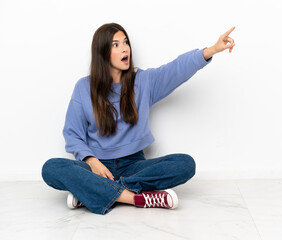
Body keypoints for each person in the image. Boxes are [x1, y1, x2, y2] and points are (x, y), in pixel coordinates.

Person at [41, 23, 235, 215]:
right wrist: (91, 160)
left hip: (133, 166)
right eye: (116, 44)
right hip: (96, 166)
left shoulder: (143, 81)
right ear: (102, 52)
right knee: (51, 168)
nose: (125, 48)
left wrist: (212, 50)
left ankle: (92, 192)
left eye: (125, 42)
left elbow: (176, 69)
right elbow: (72, 134)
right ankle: (134, 198)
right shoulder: (84, 87)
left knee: (185, 164)